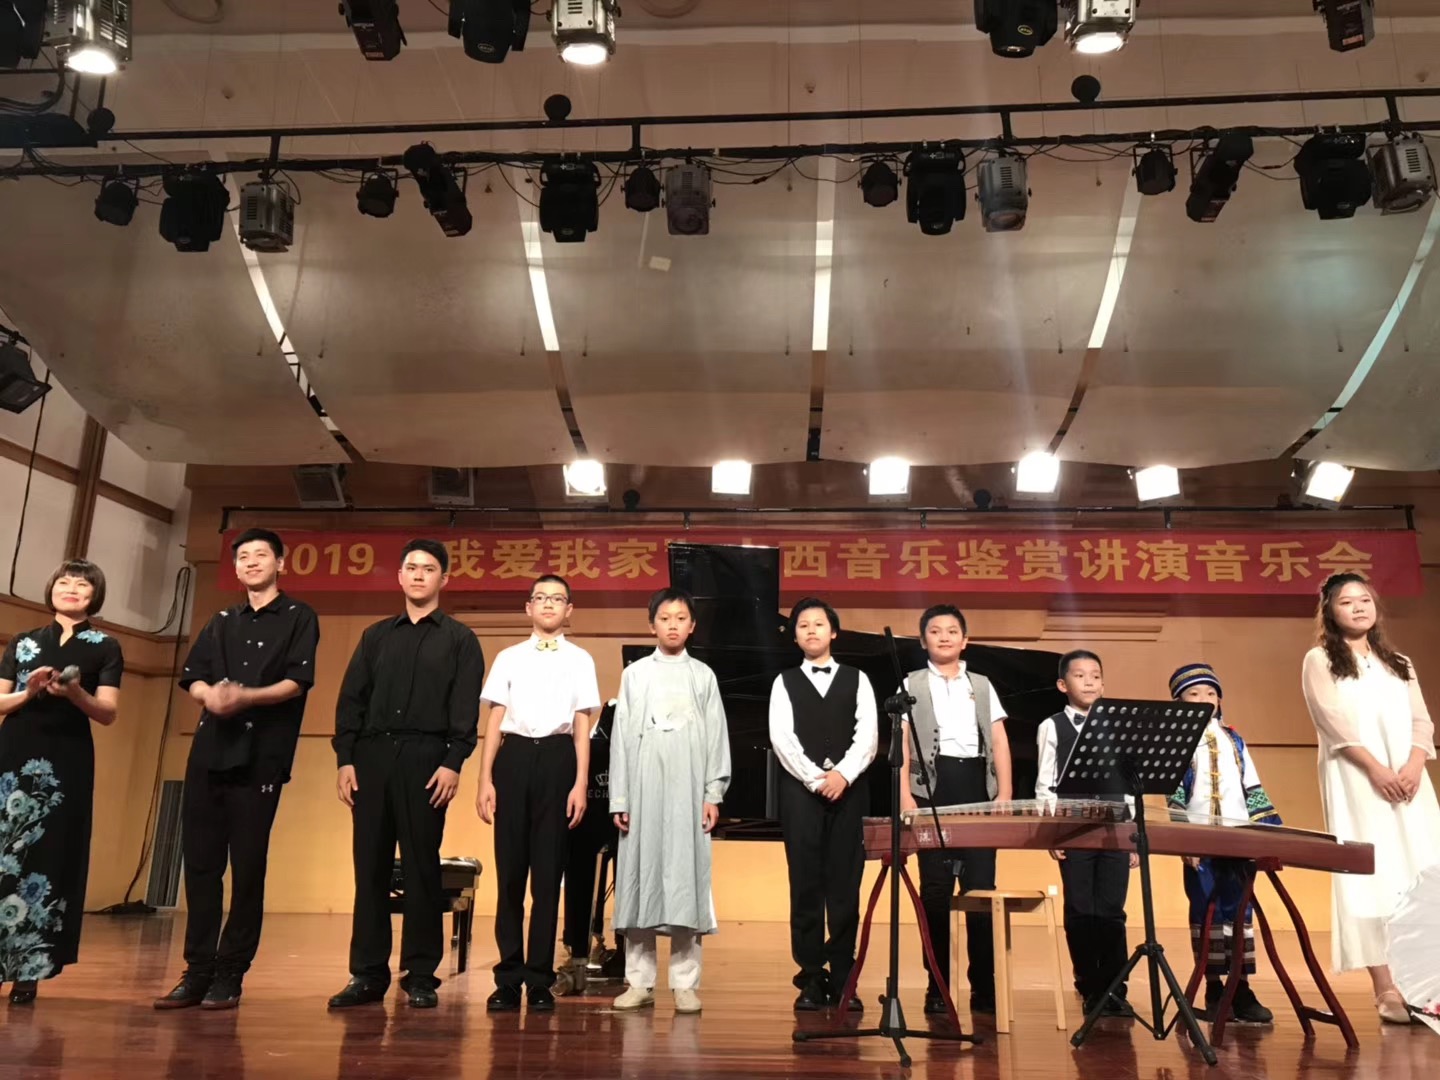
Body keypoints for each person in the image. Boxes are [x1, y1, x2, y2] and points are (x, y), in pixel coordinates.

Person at [155, 530, 319, 1011]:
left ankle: (231, 972)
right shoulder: (221, 619)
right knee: (201, 865)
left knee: (247, 867)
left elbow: (297, 682)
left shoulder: (299, 616)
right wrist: (209, 695)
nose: (250, 562)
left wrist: (244, 696)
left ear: (281, 563)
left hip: (261, 755)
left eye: (260, 555)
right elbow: (194, 677)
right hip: (209, 752)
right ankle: (197, 970)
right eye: (243, 556)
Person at [327, 539, 484, 1010]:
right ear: (399, 576)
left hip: (427, 761)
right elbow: (351, 701)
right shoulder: (375, 636)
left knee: (421, 869)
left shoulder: (460, 640)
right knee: (370, 868)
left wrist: (453, 762)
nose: (418, 575)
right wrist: (345, 759)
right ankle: (367, 973)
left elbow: (465, 710)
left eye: (428, 568)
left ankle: (420, 974)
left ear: (443, 579)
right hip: (372, 759)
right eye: (411, 567)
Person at [1301, 572, 1440, 1025]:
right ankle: (1386, 987)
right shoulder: (1320, 659)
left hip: (1410, 781)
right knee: (1373, 876)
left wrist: (1414, 764)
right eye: (1347, 602)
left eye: (1364, 599)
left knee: (1422, 871)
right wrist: (1377, 770)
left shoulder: (1399, 662)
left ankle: (1427, 984)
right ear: (1330, 610)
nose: (1359, 607)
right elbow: (1332, 723)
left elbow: (1422, 721)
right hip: (1358, 780)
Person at [0, 560, 123, 1005]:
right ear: (51, 588)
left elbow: (107, 712)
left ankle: (29, 968)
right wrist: (30, 691)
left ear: (95, 595)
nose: (71, 588)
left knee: (50, 855)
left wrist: (74, 692)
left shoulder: (105, 646)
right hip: (13, 756)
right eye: (64, 582)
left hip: (67, 760)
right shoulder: (24, 641)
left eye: (82, 583)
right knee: (4, 854)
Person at [476, 574, 599, 1012]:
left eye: (557, 599)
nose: (548, 604)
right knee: (510, 875)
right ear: (528, 607)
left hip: (558, 759)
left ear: (569, 610)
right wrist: (485, 778)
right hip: (513, 760)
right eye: (541, 598)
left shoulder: (581, 659)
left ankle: (540, 980)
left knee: (548, 878)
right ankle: (508, 978)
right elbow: (495, 720)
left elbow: (582, 726)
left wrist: (580, 782)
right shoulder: (508, 657)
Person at [610, 587, 732, 1014]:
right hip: (643, 790)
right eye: (665, 618)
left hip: (688, 791)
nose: (673, 625)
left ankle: (685, 983)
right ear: (652, 625)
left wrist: (712, 792)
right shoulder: (635, 675)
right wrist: (620, 796)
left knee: (686, 881)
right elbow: (622, 738)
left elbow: (716, 736)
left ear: (692, 626)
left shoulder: (703, 675)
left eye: (681, 618)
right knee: (639, 880)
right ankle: (639, 981)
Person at [899, 603, 1012, 1017]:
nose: (944, 637)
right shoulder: (910, 682)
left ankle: (984, 987)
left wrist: (1004, 793)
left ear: (965, 640)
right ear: (922, 640)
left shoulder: (980, 684)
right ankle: (938, 987)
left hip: (976, 786)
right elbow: (902, 744)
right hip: (932, 788)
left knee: (980, 890)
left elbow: (998, 740)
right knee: (935, 891)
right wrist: (905, 796)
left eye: (951, 631)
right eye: (935, 631)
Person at [768, 597, 877, 1013]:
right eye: (803, 625)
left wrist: (842, 775)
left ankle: (845, 977)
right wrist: (816, 779)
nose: (811, 630)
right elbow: (782, 738)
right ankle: (811, 976)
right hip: (801, 793)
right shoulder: (783, 682)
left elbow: (868, 736)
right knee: (805, 885)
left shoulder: (858, 679)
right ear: (795, 636)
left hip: (850, 791)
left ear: (833, 632)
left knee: (846, 887)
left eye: (818, 624)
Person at [1166, 662, 1279, 1025]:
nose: (1204, 699)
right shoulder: (1177, 742)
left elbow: (1252, 787)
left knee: (1239, 911)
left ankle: (1240, 989)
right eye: (1194, 694)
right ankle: (1214, 989)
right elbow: (1174, 796)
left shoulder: (1234, 739)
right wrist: (1184, 839)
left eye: (1210, 693)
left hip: (1237, 837)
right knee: (1206, 912)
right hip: (1200, 842)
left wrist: (1267, 833)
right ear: (1179, 702)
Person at [1035, 649, 1134, 1019]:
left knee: (1111, 910)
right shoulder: (1051, 726)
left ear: (1103, 684)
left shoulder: (1117, 726)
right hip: (1074, 829)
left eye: (1095, 675)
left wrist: (1131, 832)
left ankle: (1115, 988)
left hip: (1114, 828)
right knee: (1081, 909)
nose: (1089, 681)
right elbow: (1045, 784)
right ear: (1063, 685)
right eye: (1080, 675)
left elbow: (1128, 784)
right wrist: (1052, 832)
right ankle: (1090, 983)